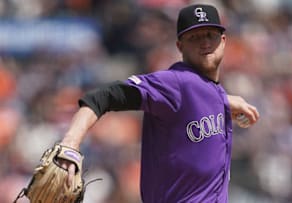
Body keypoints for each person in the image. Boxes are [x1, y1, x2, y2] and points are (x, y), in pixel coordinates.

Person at [60, 4, 259, 203]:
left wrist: (224, 101)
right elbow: (102, 97)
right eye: (194, 37)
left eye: (210, 35)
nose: (205, 43)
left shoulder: (212, 91)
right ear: (180, 46)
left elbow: (202, 94)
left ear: (223, 41)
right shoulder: (175, 83)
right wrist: (71, 142)